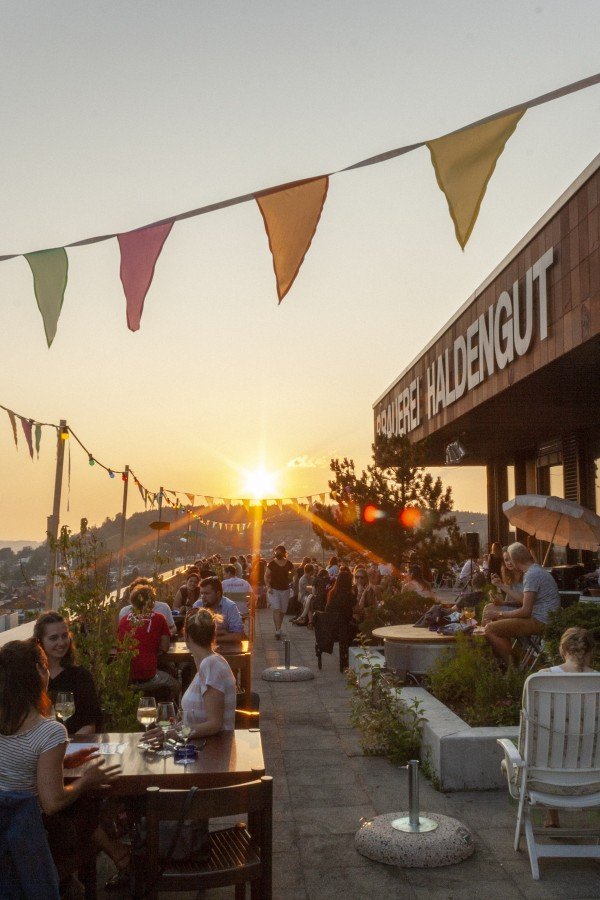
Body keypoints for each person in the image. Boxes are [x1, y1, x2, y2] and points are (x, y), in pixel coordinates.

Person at [0, 639, 121, 893]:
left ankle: (73, 882)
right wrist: (87, 779)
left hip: (5, 825)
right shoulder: (48, 731)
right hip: (28, 833)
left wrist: (62, 761)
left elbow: (13, 764)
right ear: (38, 671)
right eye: (45, 665)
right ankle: (89, 874)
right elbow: (52, 802)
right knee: (87, 808)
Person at [539, 627, 596, 828]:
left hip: (547, 776)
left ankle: (552, 817)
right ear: (590, 652)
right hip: (593, 776)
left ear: (562, 650)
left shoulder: (543, 678)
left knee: (551, 743)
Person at [484, 542, 560, 666]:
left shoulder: (531, 575)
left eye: (509, 559)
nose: (509, 563)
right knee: (496, 623)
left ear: (515, 560)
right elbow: (525, 603)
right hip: (543, 618)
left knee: (490, 629)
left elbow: (525, 611)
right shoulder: (535, 570)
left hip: (542, 621)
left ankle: (514, 667)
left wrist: (500, 614)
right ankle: (513, 661)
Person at [33, 611, 102, 736]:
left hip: (74, 744)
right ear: (39, 641)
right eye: (53, 638)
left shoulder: (81, 676)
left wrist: (66, 744)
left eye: (65, 636)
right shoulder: (30, 676)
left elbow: (90, 724)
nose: (61, 642)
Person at [117, 584, 180, 699]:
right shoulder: (159, 618)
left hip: (125, 678)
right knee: (176, 685)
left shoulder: (124, 619)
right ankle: (168, 708)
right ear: (152, 602)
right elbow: (164, 647)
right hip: (148, 676)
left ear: (133, 602)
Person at [191, 576, 245, 645]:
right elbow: (192, 634)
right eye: (202, 593)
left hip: (227, 648)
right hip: (202, 647)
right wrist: (221, 632)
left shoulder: (230, 606)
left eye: (207, 593)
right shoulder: (198, 605)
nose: (203, 597)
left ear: (218, 594)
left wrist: (211, 639)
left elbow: (238, 635)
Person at [481, 547, 524, 624]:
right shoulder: (510, 577)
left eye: (511, 559)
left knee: (490, 610)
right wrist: (501, 602)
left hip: (523, 611)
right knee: (488, 608)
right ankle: (484, 630)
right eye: (506, 560)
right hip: (514, 608)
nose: (509, 562)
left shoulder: (526, 576)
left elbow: (524, 602)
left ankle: (488, 629)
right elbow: (508, 601)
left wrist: (501, 586)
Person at [265, 545, 294, 639]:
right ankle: (277, 631)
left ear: (284, 553)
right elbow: (266, 576)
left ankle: (279, 628)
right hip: (274, 590)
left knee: (282, 611)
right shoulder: (272, 564)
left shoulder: (289, 563)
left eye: (279, 552)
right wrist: (268, 586)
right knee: (276, 609)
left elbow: (293, 573)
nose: (277, 553)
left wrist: (291, 580)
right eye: (276, 552)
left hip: (285, 590)